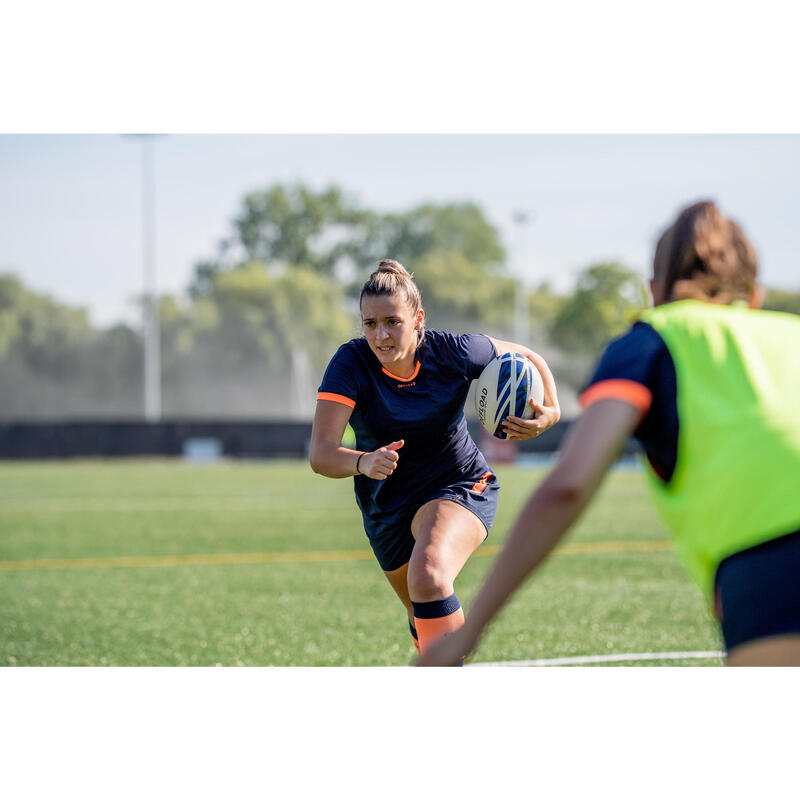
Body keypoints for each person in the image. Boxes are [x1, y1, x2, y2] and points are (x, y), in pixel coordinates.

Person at [417, 200, 800, 667]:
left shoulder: (652, 341)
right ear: (755, 294)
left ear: (654, 290)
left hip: (773, 561)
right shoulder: (791, 332)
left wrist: (468, 632)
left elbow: (569, 485)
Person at [309, 259, 561, 657]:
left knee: (428, 577)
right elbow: (321, 454)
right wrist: (362, 461)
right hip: (386, 505)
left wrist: (553, 409)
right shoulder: (351, 363)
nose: (380, 335)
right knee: (421, 610)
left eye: (392, 321)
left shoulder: (454, 352)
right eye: (369, 323)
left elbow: (529, 355)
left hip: (458, 483)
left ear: (417, 319)